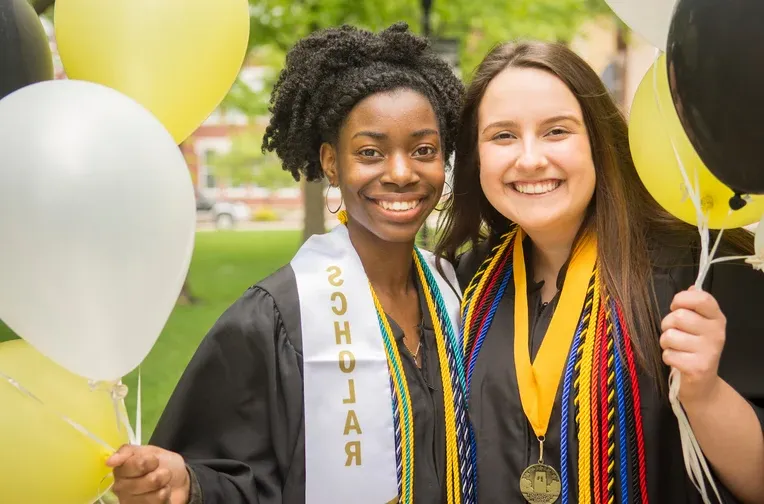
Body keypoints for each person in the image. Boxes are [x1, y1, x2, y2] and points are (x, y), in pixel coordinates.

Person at [105, 22, 477, 504]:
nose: (401, 172)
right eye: (370, 152)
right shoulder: (276, 316)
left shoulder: (459, 295)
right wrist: (189, 485)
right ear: (330, 162)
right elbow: (234, 473)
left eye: (423, 150)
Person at [436, 41, 764, 504]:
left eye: (556, 132)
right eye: (503, 136)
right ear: (476, 156)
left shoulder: (699, 270)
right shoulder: (465, 284)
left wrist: (704, 392)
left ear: (598, 139)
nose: (529, 159)